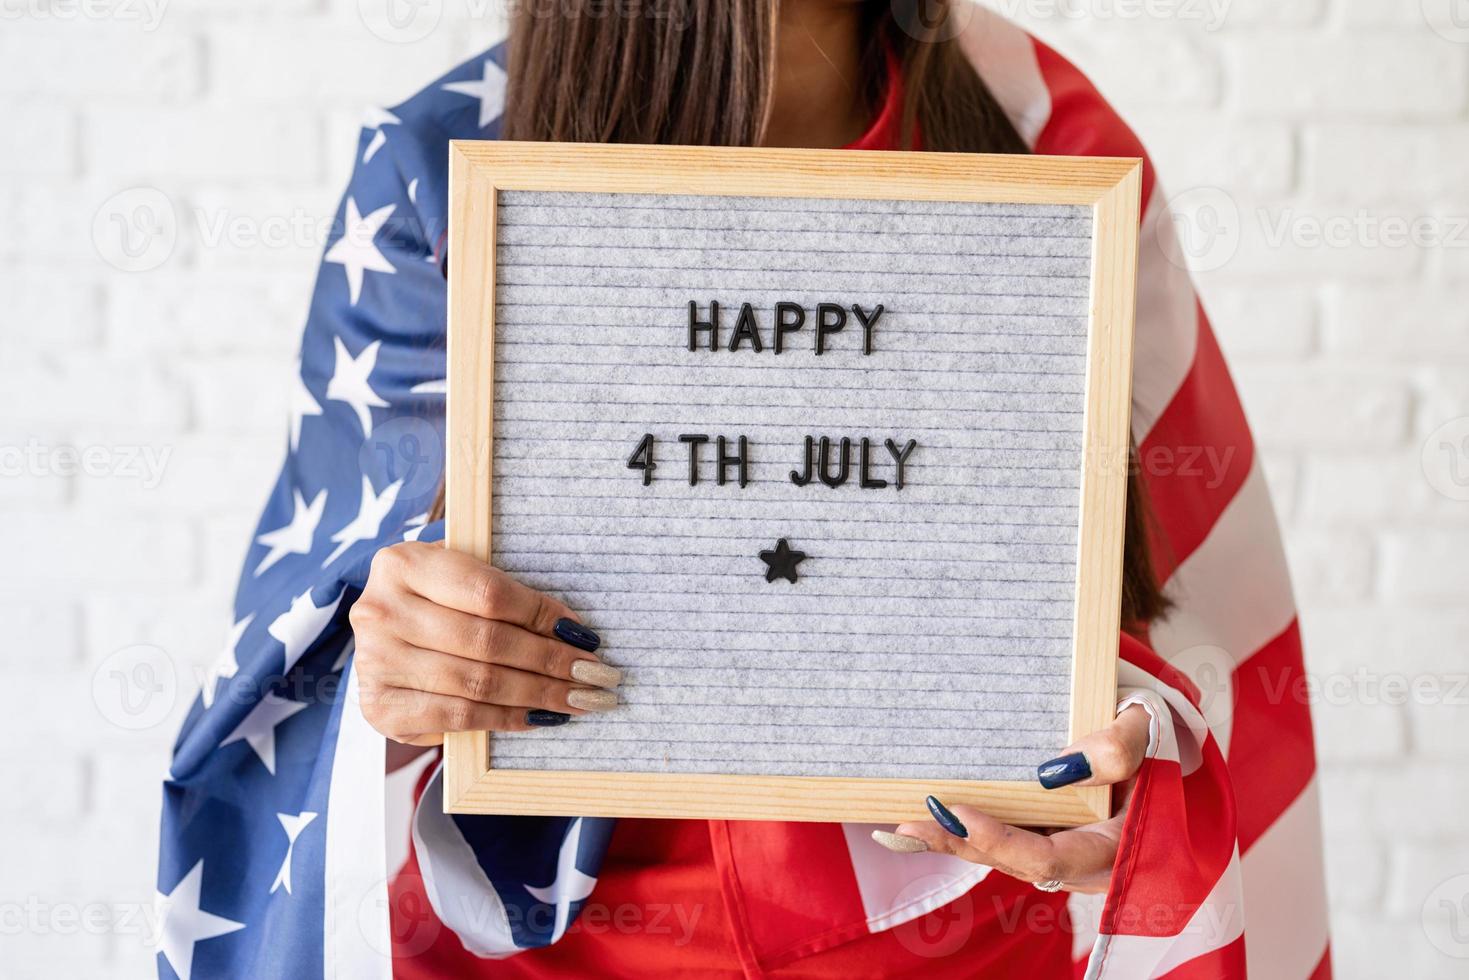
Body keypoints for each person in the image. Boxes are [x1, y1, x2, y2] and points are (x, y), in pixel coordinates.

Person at [157, 2, 1329, 978]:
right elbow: (307, 674)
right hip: (545, 949)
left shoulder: (1046, 135)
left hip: (955, 939)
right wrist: (402, 651)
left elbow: (1177, 609)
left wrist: (1133, 771)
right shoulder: (439, 167)